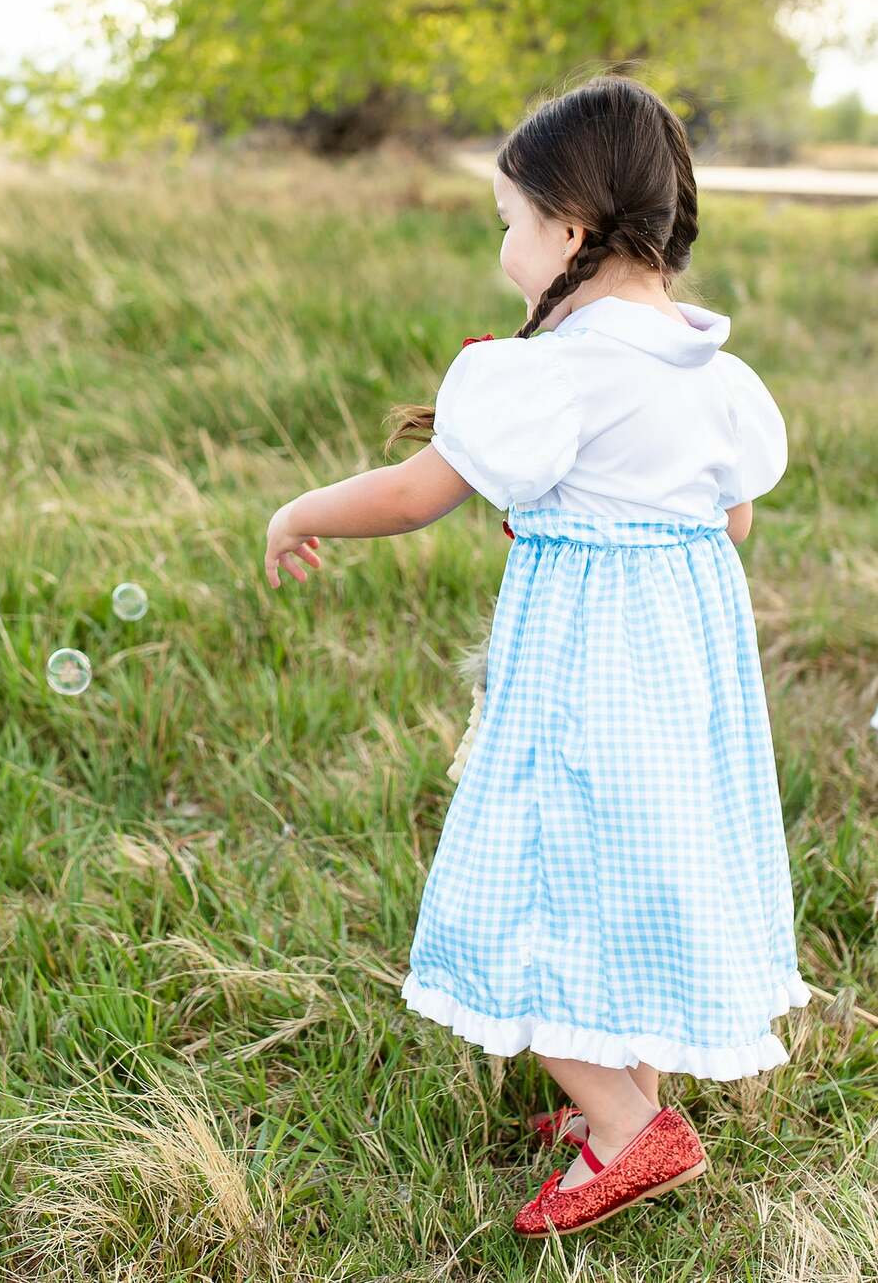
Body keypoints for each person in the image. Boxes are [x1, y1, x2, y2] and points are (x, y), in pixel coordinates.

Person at [263, 72, 813, 1239]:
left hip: (583, 681)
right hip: (681, 684)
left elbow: (419, 495)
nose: (502, 245)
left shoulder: (550, 374)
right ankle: (627, 1099)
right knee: (637, 883)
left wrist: (302, 509)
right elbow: (731, 524)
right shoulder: (717, 376)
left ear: (569, 229)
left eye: (508, 221)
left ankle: (629, 1132)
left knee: (533, 895)